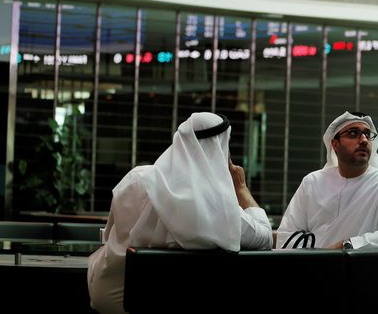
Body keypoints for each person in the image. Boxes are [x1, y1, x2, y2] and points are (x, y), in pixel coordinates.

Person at [87, 112, 272, 314]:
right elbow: (265, 237)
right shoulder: (218, 209)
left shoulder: (137, 179)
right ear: (222, 149)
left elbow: (109, 235)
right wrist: (242, 188)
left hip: (109, 299)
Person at [276, 111, 378, 249]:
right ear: (335, 144)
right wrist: (321, 256)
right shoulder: (312, 182)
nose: (363, 140)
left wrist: (349, 245)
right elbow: (285, 238)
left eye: (367, 135)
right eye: (353, 133)